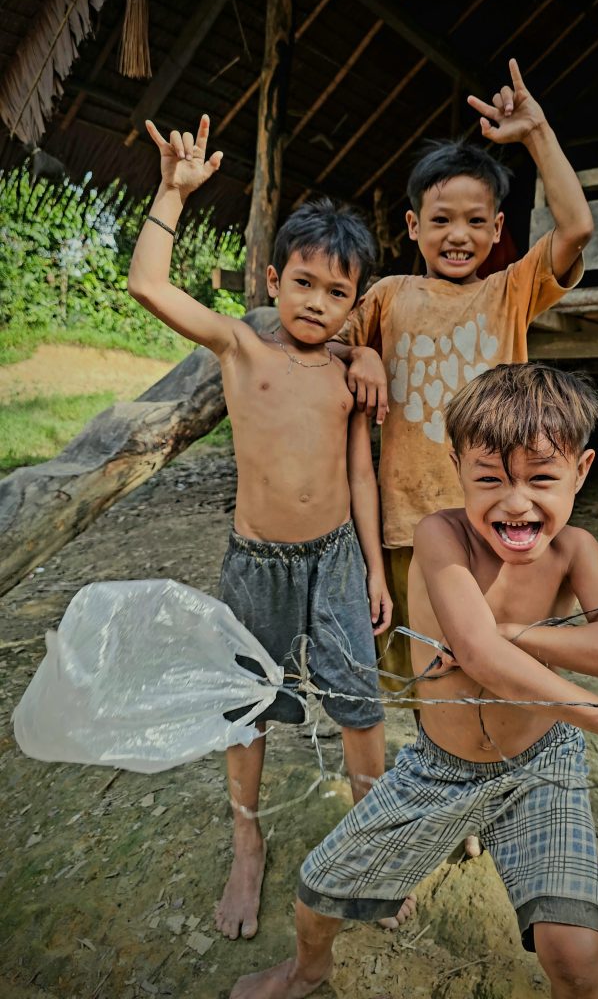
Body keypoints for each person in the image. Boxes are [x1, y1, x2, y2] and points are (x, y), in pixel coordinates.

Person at [229, 363, 598, 999]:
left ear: (582, 471)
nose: (516, 503)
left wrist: (514, 632)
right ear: (457, 466)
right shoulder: (442, 536)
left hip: (543, 761)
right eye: (489, 479)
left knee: (577, 955)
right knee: (318, 895)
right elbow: (477, 655)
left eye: (542, 479)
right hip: (440, 768)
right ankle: (305, 973)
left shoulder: (576, 552)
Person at [127, 115, 407, 941]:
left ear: (354, 302)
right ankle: (246, 843)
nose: (318, 305)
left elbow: (360, 473)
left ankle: (371, 848)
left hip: (337, 561)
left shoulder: (349, 375)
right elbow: (149, 287)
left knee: (361, 708)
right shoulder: (241, 348)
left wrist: (376, 572)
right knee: (244, 710)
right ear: (273, 277)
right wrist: (172, 195)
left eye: (338, 293)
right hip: (257, 566)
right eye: (304, 285)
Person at [334, 59, 594, 729]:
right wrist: (360, 349)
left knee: (491, 657)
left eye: (475, 221)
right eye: (442, 220)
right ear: (413, 226)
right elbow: (323, 338)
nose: (459, 235)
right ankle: (439, 777)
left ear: (497, 227)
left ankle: (487, 776)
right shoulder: (388, 297)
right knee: (423, 668)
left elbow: (575, 230)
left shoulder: (510, 290)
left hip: (493, 522)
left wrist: (537, 136)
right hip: (407, 526)